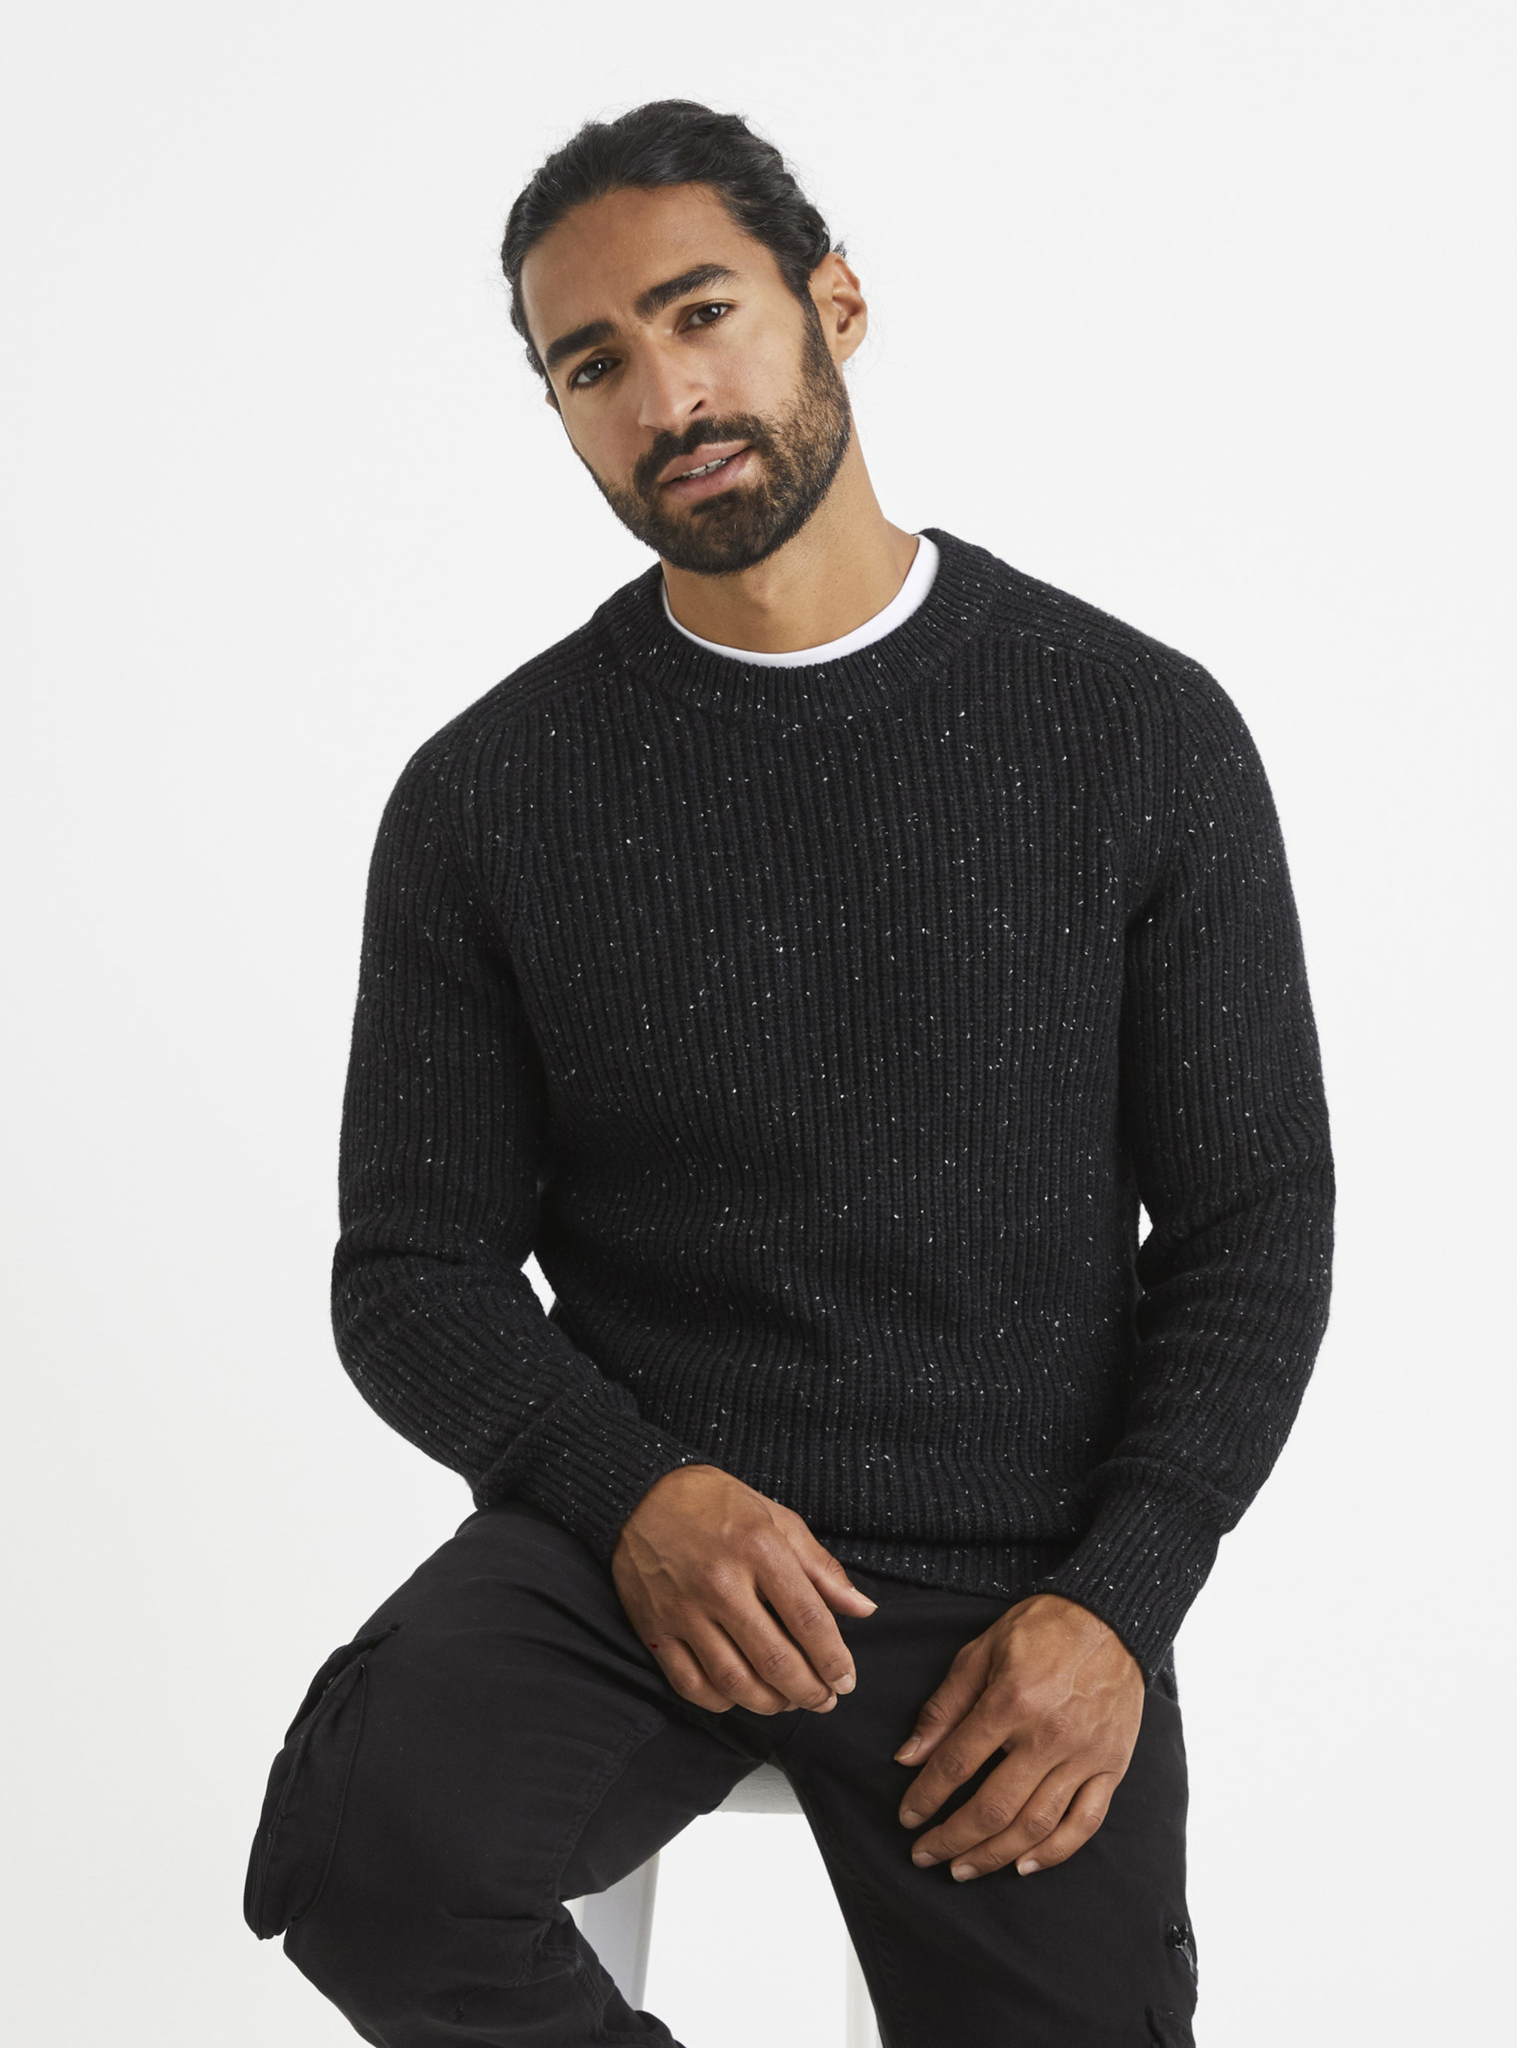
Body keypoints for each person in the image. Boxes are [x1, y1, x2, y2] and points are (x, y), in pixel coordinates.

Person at [241, 98, 1334, 2047]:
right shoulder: (491, 793)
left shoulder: (1135, 729)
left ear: (833, 302)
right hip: (637, 1545)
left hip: (1018, 1578)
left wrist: (1125, 1601)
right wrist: (634, 1494)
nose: (667, 396)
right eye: (594, 363)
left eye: (702, 313)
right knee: (365, 1857)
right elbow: (409, 1267)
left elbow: (1252, 1222)